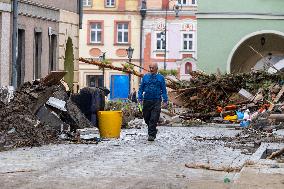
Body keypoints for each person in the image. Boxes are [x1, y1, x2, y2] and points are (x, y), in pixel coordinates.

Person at [138, 62, 168, 141]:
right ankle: (153, 129)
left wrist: (165, 100)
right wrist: (140, 98)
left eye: (152, 68)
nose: (151, 69)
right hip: (147, 100)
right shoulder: (145, 77)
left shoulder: (161, 78)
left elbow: (164, 90)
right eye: (150, 67)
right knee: (146, 117)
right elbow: (141, 88)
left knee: (154, 118)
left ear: (156, 68)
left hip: (157, 100)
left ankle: (151, 135)